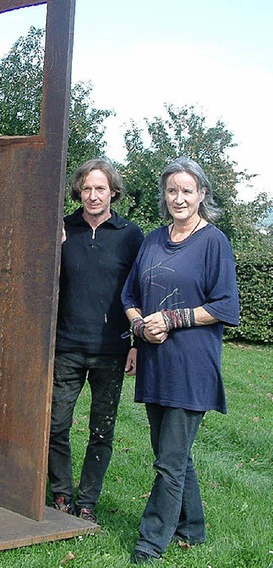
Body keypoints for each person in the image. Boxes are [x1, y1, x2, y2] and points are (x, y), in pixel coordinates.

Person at [121, 157, 239, 564]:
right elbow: (129, 298)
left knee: (169, 460)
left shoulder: (213, 242)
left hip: (192, 367)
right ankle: (193, 527)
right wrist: (140, 330)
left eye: (187, 190)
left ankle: (151, 541)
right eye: (172, 190)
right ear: (164, 195)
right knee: (175, 454)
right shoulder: (153, 240)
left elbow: (226, 306)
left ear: (202, 194)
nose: (179, 198)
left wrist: (173, 318)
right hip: (156, 363)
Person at [48, 158, 143, 523]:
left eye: (100, 188)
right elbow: (43, 279)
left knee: (101, 431)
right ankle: (60, 494)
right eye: (86, 188)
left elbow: (138, 292)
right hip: (66, 346)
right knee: (56, 425)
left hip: (112, 349)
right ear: (79, 191)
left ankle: (87, 501)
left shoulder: (130, 235)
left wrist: (136, 343)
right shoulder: (63, 229)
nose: (92, 195)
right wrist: (52, 249)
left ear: (113, 192)